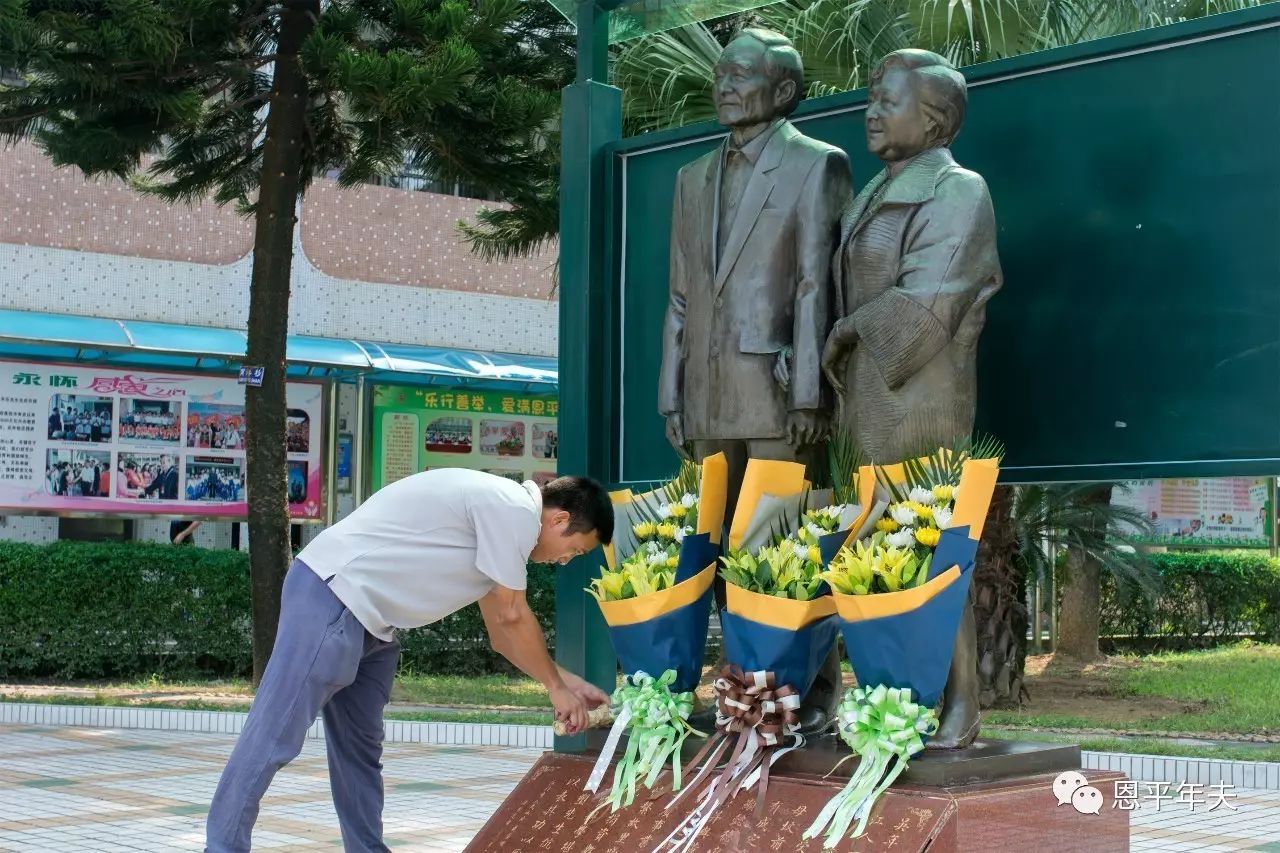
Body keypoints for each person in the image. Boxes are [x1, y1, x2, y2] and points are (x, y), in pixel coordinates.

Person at [205, 469, 614, 852]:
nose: (564, 561)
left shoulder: (504, 527)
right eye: (573, 551)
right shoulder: (512, 510)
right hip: (334, 596)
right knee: (273, 735)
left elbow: (502, 636)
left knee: (359, 754)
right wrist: (555, 688)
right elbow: (511, 615)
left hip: (374, 627)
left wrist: (565, 681)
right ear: (559, 520)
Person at [657, 28, 852, 733]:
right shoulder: (692, 178)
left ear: (783, 91)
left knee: (788, 550)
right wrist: (669, 390)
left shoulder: (816, 165)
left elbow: (814, 287)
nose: (725, 85)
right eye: (721, 74)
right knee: (718, 551)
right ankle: (746, 689)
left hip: (776, 393)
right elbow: (680, 294)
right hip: (708, 396)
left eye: (741, 74)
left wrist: (810, 390)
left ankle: (810, 691)